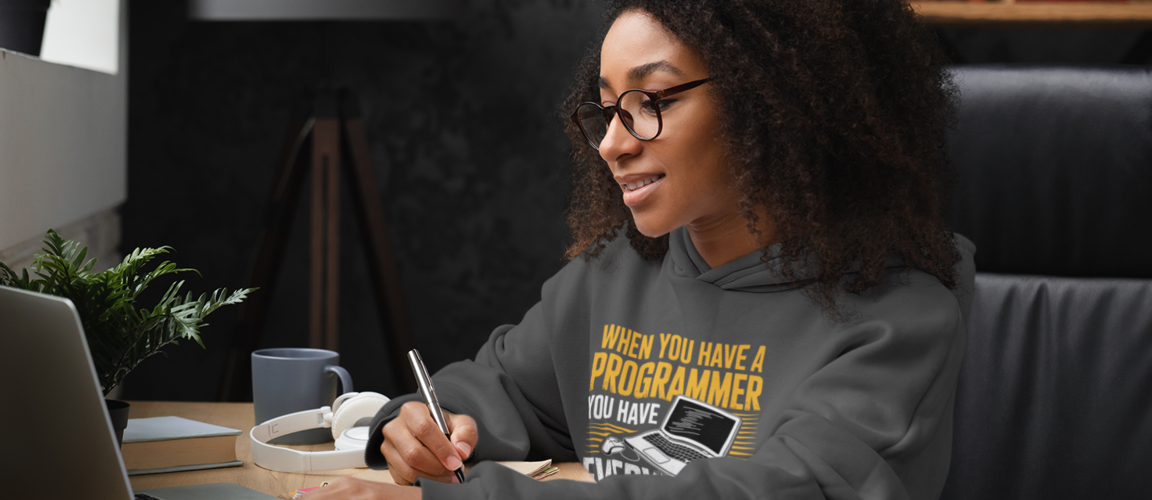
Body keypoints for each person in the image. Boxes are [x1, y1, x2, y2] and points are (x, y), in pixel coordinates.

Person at [305, 0, 972, 498]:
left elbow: (776, 490)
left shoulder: (898, 320)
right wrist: (425, 422)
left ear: (772, 102)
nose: (612, 144)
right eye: (605, 110)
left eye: (649, 101)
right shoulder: (610, 276)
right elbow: (501, 390)